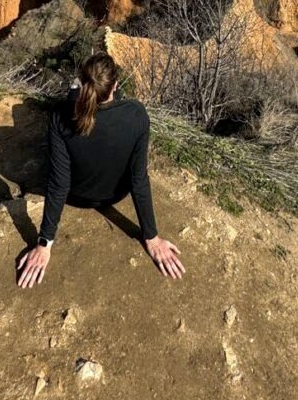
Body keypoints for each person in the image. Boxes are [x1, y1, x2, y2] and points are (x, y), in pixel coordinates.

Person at [17, 52, 185, 288]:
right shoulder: (137, 114)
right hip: (115, 194)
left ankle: (90, 93)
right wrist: (152, 237)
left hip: (76, 197)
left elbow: (59, 183)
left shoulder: (60, 118)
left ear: (83, 83)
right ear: (114, 85)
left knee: (71, 102)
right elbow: (139, 180)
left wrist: (45, 243)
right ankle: (99, 94)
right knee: (101, 102)